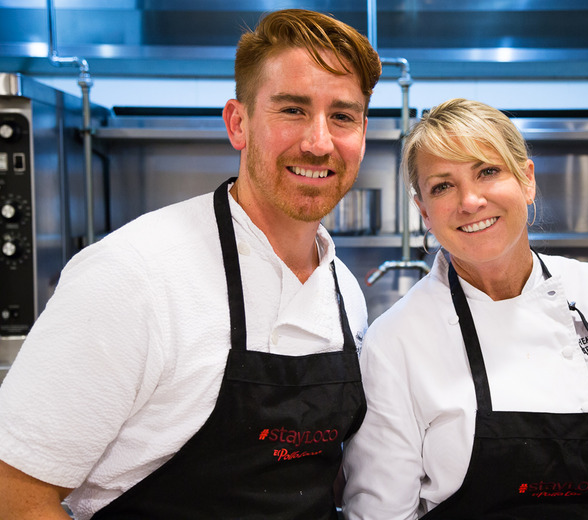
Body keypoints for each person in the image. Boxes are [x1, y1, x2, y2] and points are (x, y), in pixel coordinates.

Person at [0, 9, 381, 519]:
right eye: (292, 109)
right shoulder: (132, 276)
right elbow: (14, 495)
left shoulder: (344, 292)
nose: (318, 141)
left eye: (342, 115)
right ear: (238, 123)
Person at [342, 98, 588, 520]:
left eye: (487, 171)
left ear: (526, 181)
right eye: (442, 186)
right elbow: (382, 515)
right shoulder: (396, 341)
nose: (470, 201)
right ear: (424, 212)